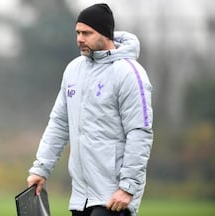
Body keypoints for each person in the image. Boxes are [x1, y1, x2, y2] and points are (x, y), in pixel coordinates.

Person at [26, 3, 153, 216]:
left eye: (87, 33)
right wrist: (41, 169)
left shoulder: (130, 73)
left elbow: (139, 133)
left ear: (105, 34)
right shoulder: (73, 70)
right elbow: (59, 123)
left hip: (114, 196)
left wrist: (127, 187)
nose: (79, 39)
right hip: (80, 197)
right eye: (77, 32)